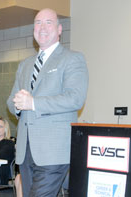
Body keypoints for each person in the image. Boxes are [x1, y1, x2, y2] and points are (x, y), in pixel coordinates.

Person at [7, 8, 89, 196]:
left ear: (59, 29)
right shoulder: (25, 64)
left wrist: (33, 103)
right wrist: (17, 104)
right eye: (37, 23)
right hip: (25, 150)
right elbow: (11, 100)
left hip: (53, 151)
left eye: (48, 22)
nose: (42, 27)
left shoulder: (72, 58)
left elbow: (75, 98)